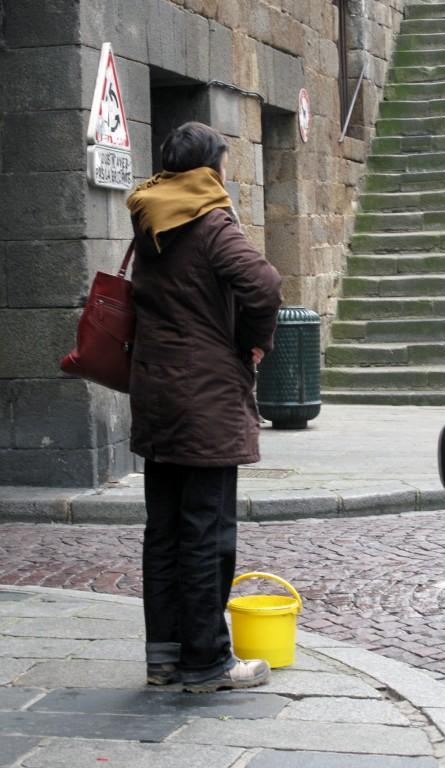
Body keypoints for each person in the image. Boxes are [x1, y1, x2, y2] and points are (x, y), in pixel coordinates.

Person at [126, 122, 282, 693]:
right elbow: (264, 285)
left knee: (163, 529)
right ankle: (207, 662)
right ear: (209, 170)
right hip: (206, 398)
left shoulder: (150, 216)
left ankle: (164, 658)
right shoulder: (210, 220)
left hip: (156, 393)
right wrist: (253, 341)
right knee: (206, 531)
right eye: (222, 162)